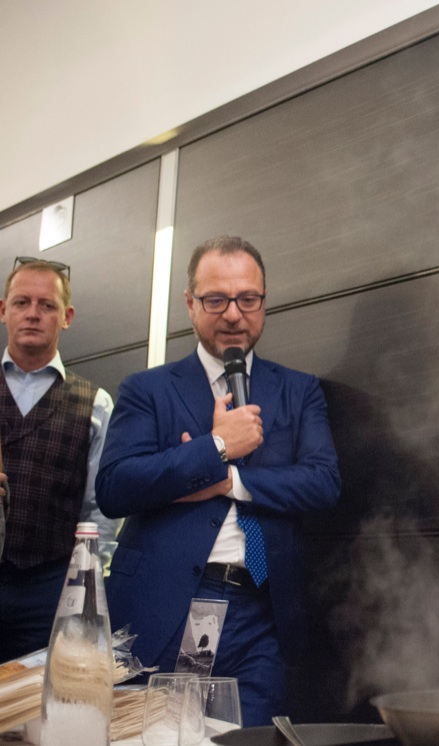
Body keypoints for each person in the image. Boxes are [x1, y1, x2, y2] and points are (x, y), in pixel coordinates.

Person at [96, 236, 341, 726]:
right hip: (163, 603)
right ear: (190, 303)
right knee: (152, 737)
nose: (234, 314)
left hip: (261, 613)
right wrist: (214, 446)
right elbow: (115, 487)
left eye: (248, 299)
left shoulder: (298, 390)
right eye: (216, 300)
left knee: (248, 738)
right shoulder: (147, 389)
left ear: (264, 302)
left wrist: (229, 479)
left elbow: (323, 482)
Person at [0, 257, 115, 663]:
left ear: (66, 317)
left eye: (46, 305)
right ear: (3, 311)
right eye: (21, 303)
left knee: (39, 711)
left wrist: (85, 585)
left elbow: (98, 511)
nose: (33, 314)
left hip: (50, 588)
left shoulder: (96, 404)